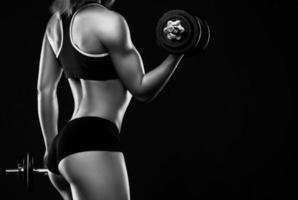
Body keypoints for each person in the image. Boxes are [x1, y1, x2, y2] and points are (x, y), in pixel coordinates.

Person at [37, 0, 184, 199]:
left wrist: (49, 150)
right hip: (91, 140)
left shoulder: (55, 23)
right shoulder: (108, 21)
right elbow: (141, 89)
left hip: (62, 148)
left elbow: (45, 91)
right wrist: (177, 52)